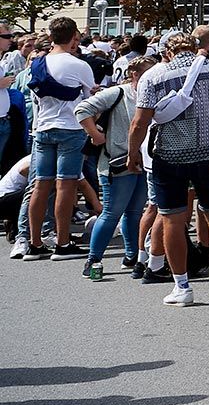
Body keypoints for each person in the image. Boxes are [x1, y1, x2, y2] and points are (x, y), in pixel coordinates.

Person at [132, 31, 209, 307]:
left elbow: (140, 122)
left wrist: (132, 154)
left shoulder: (154, 76)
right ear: (195, 49)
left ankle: (182, 286)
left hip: (169, 155)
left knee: (173, 219)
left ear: (167, 52)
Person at [23, 16, 97, 258]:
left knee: (40, 185)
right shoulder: (78, 65)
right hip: (70, 128)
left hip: (42, 127)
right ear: (74, 36)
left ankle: (33, 243)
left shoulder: (36, 64)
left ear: (51, 36)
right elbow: (90, 97)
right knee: (65, 185)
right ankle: (62, 243)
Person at [75, 58, 151, 280]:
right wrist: (96, 135)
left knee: (134, 212)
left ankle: (132, 255)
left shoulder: (149, 94)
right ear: (134, 74)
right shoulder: (119, 92)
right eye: (146, 74)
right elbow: (82, 109)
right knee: (111, 213)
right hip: (116, 163)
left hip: (142, 162)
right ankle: (93, 259)